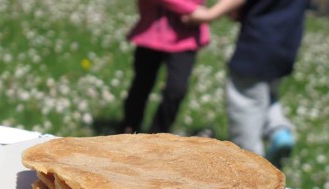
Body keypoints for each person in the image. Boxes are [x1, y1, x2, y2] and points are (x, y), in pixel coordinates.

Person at [184, 0, 309, 169]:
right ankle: (280, 132)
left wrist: (210, 14)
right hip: (286, 45)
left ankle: (251, 164)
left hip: (258, 44)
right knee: (267, 94)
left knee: (246, 101)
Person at [119, 0, 210, 134]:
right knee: (141, 85)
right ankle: (129, 128)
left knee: (177, 89)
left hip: (185, 36)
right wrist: (191, 9)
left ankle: (158, 134)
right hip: (151, 32)